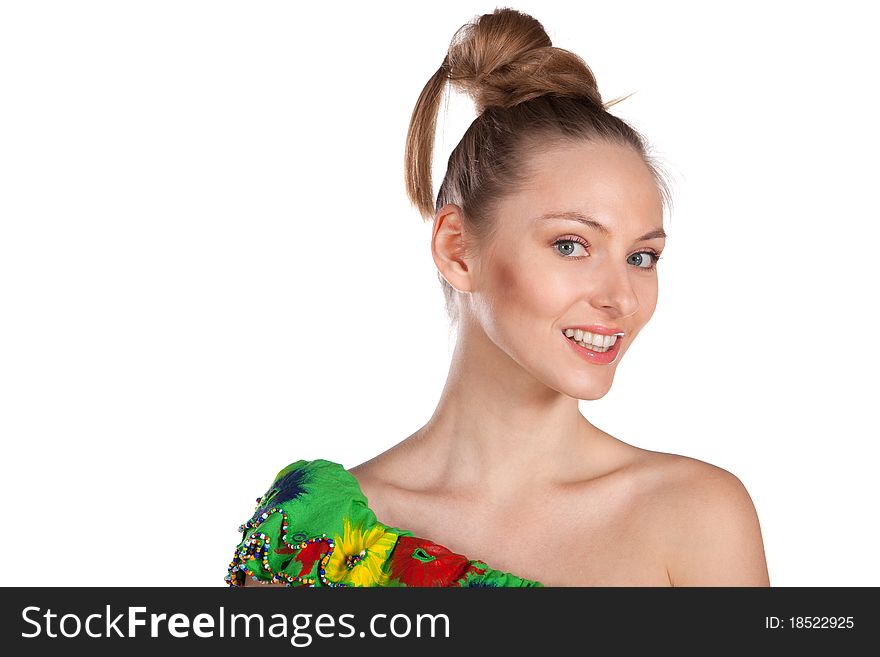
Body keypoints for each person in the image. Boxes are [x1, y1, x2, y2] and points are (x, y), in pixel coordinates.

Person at [226, 7, 770, 588]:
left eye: (642, 257)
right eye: (571, 245)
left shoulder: (697, 517)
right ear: (458, 249)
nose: (622, 298)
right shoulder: (314, 534)